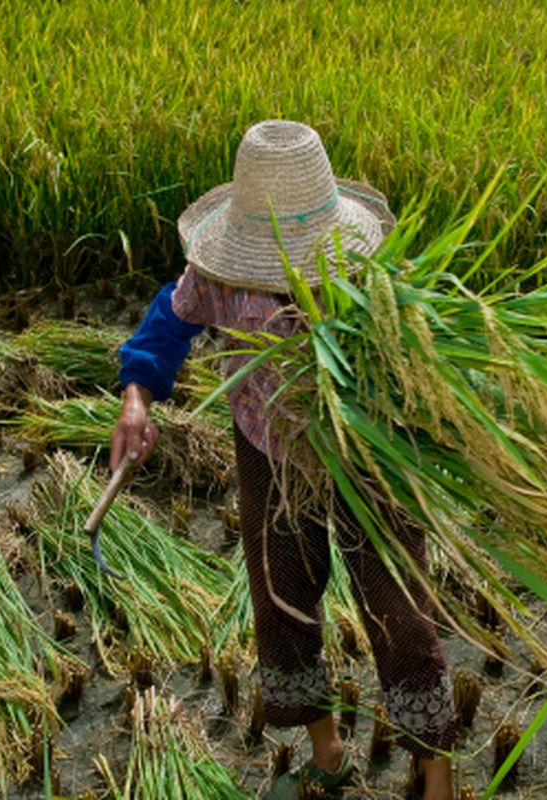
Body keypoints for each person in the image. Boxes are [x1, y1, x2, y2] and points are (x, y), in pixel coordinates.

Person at [110, 120, 458, 800]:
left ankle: (435, 769)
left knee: (398, 608)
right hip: (267, 447)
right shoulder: (217, 276)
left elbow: (426, 354)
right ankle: (325, 749)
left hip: (364, 450)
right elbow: (167, 324)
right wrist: (136, 398)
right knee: (282, 595)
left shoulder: (370, 274)